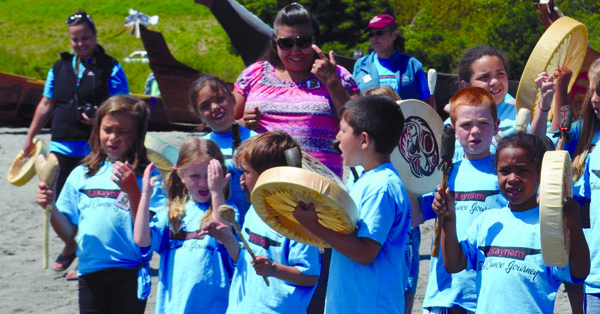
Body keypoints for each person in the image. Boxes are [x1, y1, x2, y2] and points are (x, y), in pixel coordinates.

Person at [36, 95, 165, 313]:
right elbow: (69, 234)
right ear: (97, 130)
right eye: (107, 130)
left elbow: (148, 237)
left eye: (122, 132)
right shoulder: (82, 174)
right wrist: (50, 207)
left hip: (130, 271)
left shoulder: (149, 177)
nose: (113, 137)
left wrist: (134, 191)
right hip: (89, 271)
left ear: (138, 134)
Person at [434, 132, 590, 313]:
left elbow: (579, 273)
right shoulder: (487, 221)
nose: (513, 178)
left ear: (541, 174)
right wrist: (449, 220)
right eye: (504, 171)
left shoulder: (551, 224)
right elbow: (454, 264)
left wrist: (574, 225)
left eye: (523, 171)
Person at [24, 10, 129, 272]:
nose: (80, 43)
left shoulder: (110, 67)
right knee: (57, 204)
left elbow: (124, 108)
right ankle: (71, 245)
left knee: (89, 202)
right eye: (75, 39)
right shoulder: (59, 67)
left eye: (85, 38)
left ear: (94, 35)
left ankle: (84, 254)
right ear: (69, 40)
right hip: (60, 145)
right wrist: (30, 137)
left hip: (94, 148)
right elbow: (46, 103)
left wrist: (100, 122)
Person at [293, 95, 411, 313]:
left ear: (364, 140)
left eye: (343, 131)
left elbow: (365, 253)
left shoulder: (381, 187)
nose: (337, 138)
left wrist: (315, 226)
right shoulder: (367, 181)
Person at [233, 3, 359, 177]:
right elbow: (225, 126)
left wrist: (333, 83)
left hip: (319, 186)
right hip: (264, 185)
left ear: (315, 40)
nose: (295, 51)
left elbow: (360, 124)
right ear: (275, 42)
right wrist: (243, 123)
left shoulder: (337, 75)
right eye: (285, 43)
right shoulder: (254, 74)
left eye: (303, 42)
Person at [202, 131, 321, 314]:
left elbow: (310, 276)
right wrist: (227, 239)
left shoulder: (296, 222)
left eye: (246, 172)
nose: (240, 179)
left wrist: (274, 269)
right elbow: (246, 259)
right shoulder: (255, 211)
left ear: (268, 176)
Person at [418, 87, 508, 313]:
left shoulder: (505, 175)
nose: (475, 131)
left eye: (483, 123)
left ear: (496, 127)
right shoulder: (444, 175)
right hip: (446, 289)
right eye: (466, 125)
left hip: (489, 289)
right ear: (454, 131)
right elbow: (415, 215)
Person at [134, 138, 234, 313]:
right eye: (195, 176)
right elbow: (141, 240)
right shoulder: (172, 213)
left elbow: (222, 230)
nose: (203, 183)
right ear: (181, 176)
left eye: (209, 176)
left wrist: (217, 191)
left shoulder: (228, 212)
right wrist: (145, 195)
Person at [362, 85, 418, 314]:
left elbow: (419, 212)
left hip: (405, 247)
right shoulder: (361, 164)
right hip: (370, 253)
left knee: (403, 299)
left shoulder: (414, 163)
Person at [192, 75, 257, 226]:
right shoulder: (198, 148)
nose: (214, 107)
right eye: (205, 105)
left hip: (251, 228)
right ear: (199, 115)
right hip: (213, 228)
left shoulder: (257, 142)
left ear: (233, 100)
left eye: (220, 99)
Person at [448, 45, 516, 161]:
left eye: (500, 74)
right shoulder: (453, 120)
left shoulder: (521, 110)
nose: (495, 81)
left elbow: (549, 139)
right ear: (466, 85)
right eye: (484, 77)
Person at [353, 14, 431, 103]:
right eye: (371, 35)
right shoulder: (361, 65)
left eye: (379, 33)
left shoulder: (412, 65)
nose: (374, 38)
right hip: (370, 116)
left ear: (394, 35)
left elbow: (428, 102)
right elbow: (353, 100)